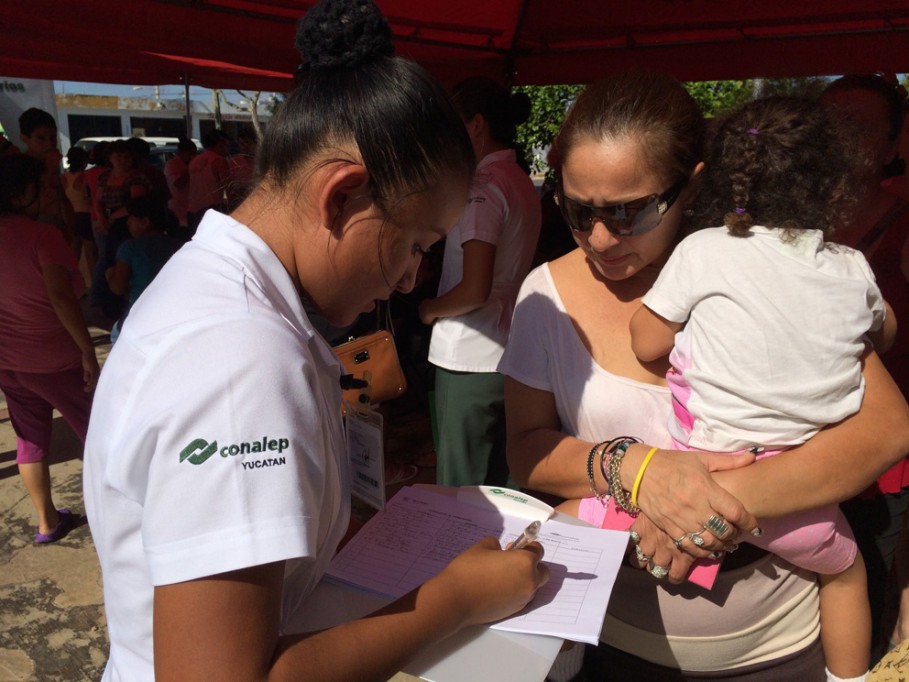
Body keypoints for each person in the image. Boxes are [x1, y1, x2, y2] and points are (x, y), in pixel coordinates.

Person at [82, 1, 548, 679]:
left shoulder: (219, 287)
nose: (409, 278)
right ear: (342, 196)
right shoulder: (241, 359)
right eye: (414, 244)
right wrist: (451, 601)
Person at [498, 70, 909, 680]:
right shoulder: (545, 295)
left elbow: (887, 429)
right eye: (577, 210)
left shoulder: (770, 269)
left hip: (780, 646)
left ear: (689, 188)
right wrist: (640, 470)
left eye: (628, 212)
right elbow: (527, 452)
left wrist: (699, 504)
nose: (600, 238)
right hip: (613, 640)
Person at [623, 96, 892, 682]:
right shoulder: (849, 265)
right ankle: (849, 678)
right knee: (845, 572)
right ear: (831, 182)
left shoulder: (703, 250)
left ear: (724, 181)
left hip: (697, 475)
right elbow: (885, 330)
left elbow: (646, 342)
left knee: (581, 513)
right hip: (800, 497)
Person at [822, 74, 909, 659]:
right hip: (790, 455)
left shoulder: (901, 225)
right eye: (830, 126)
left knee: (870, 601)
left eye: (859, 127)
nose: (842, 140)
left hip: (880, 468)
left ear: (893, 141)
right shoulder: (783, 226)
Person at [418, 76, 541, 487]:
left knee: (460, 485)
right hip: (510, 348)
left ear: (475, 125)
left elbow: (474, 287)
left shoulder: (482, 190)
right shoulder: (519, 181)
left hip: (467, 354)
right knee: (503, 481)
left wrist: (428, 309)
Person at [0, 154, 98, 544]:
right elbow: (62, 295)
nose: (49, 191)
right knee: (97, 432)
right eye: (42, 186)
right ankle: (118, 515)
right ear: (23, 193)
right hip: (57, 360)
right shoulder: (42, 236)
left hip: (10, 363)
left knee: (30, 441)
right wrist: (88, 352)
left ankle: (46, 522)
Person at [91, 139, 152, 321]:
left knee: (124, 265)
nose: (123, 160)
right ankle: (107, 303)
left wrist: (112, 217)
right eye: (118, 156)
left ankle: (123, 304)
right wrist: (102, 218)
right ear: (110, 158)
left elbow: (136, 204)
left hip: (128, 224)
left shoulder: (136, 178)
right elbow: (98, 200)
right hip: (108, 225)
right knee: (107, 262)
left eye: (126, 157)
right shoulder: (105, 177)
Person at [105, 196, 180, 341]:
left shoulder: (130, 248)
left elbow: (117, 287)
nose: (127, 222)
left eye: (131, 218)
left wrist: (109, 275)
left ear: (145, 222)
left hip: (142, 316)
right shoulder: (179, 245)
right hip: (174, 314)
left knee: (116, 334)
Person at [18, 107, 74, 245]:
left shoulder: (50, 165)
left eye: (53, 137)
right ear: (25, 139)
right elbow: (30, 210)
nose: (49, 144)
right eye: (41, 138)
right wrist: (50, 172)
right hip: (32, 243)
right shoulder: (17, 168)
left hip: (57, 239)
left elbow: (63, 205)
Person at [61, 145, 97, 278]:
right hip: (86, 216)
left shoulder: (64, 177)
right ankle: (94, 283)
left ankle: (71, 281)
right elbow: (88, 197)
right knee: (90, 253)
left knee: (73, 253)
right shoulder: (85, 177)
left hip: (72, 215)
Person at [186, 127, 230, 234]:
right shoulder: (219, 161)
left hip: (192, 210)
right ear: (220, 144)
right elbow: (229, 187)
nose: (227, 148)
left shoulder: (194, 161)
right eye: (226, 144)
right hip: (211, 210)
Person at [163, 136, 196, 238]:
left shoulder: (193, 164)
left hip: (191, 208)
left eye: (194, 154)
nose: (192, 157)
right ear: (181, 153)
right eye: (190, 154)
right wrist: (189, 169)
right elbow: (178, 183)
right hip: (176, 210)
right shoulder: (172, 164)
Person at [227, 124, 257, 209]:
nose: (244, 146)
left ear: (255, 142)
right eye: (241, 143)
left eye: (247, 142)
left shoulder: (262, 161)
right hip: (238, 206)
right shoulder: (234, 161)